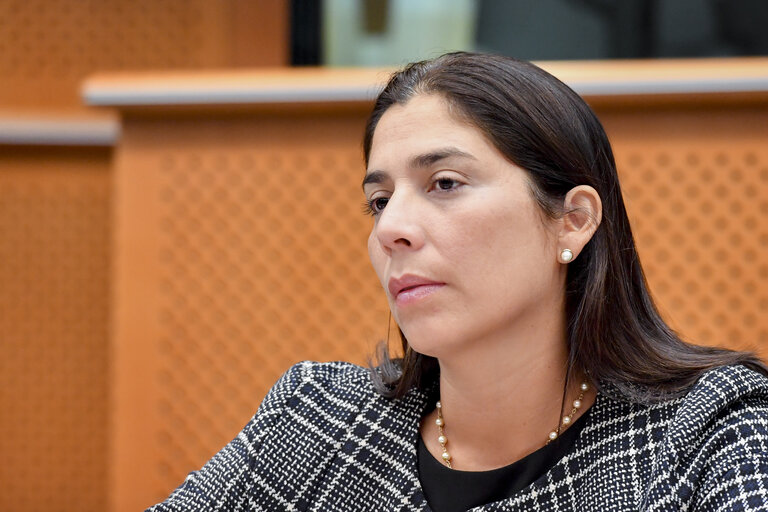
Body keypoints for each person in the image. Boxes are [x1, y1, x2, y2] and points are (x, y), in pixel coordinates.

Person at [148, 52, 768, 511]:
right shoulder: (316, 419)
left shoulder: (709, 433)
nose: (393, 228)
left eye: (445, 183)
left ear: (572, 221)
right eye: (379, 200)